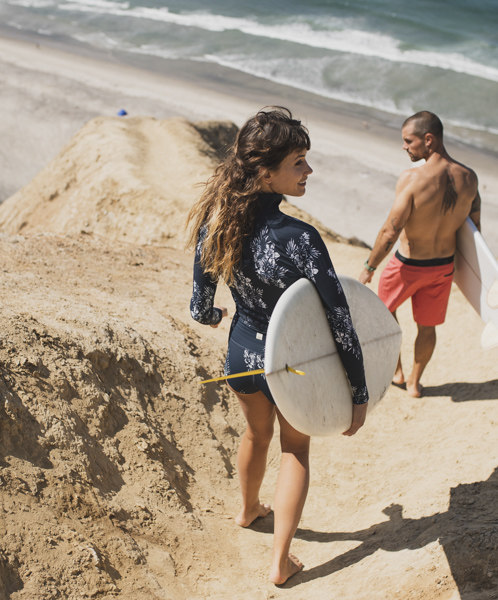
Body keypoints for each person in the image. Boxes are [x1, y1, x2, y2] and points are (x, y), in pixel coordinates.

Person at [187, 106, 369, 585]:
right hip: (292, 367)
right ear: (266, 173)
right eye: (299, 163)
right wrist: (359, 392)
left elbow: (199, 305)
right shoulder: (301, 239)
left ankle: (247, 510)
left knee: (254, 436)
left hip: (241, 357)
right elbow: (341, 320)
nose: (309, 171)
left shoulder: (218, 224)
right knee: (295, 451)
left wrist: (216, 316)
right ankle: (280, 562)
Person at [358, 111, 481, 398]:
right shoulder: (470, 178)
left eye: (408, 141)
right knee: (427, 328)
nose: (404, 147)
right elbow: (475, 232)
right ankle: (414, 382)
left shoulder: (412, 179)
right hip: (442, 269)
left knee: (383, 314)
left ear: (429, 139)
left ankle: (396, 371)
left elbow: (390, 231)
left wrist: (370, 266)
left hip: (407, 266)